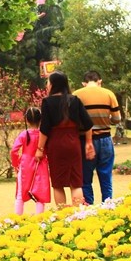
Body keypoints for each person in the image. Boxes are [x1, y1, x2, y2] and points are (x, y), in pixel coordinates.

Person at [36, 71, 94, 207]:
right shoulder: (75, 100)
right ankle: (78, 214)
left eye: (48, 82)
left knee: (58, 183)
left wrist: (39, 149)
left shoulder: (47, 102)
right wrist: (89, 142)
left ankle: (63, 215)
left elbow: (44, 128)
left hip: (56, 145)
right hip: (73, 143)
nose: (47, 85)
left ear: (53, 85)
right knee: (76, 182)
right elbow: (88, 124)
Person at [74, 70, 122, 204]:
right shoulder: (109, 94)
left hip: (84, 141)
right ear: (99, 81)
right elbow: (117, 119)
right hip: (105, 139)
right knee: (106, 177)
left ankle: (89, 207)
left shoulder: (76, 95)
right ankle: (107, 206)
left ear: (84, 83)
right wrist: (107, 120)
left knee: (86, 179)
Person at [10, 107, 51, 215]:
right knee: (40, 194)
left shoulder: (24, 134)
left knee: (20, 194)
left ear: (26, 120)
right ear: (40, 120)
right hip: (41, 164)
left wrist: (16, 163)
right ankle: (39, 219)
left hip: (25, 165)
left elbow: (14, 150)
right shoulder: (44, 135)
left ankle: (17, 220)